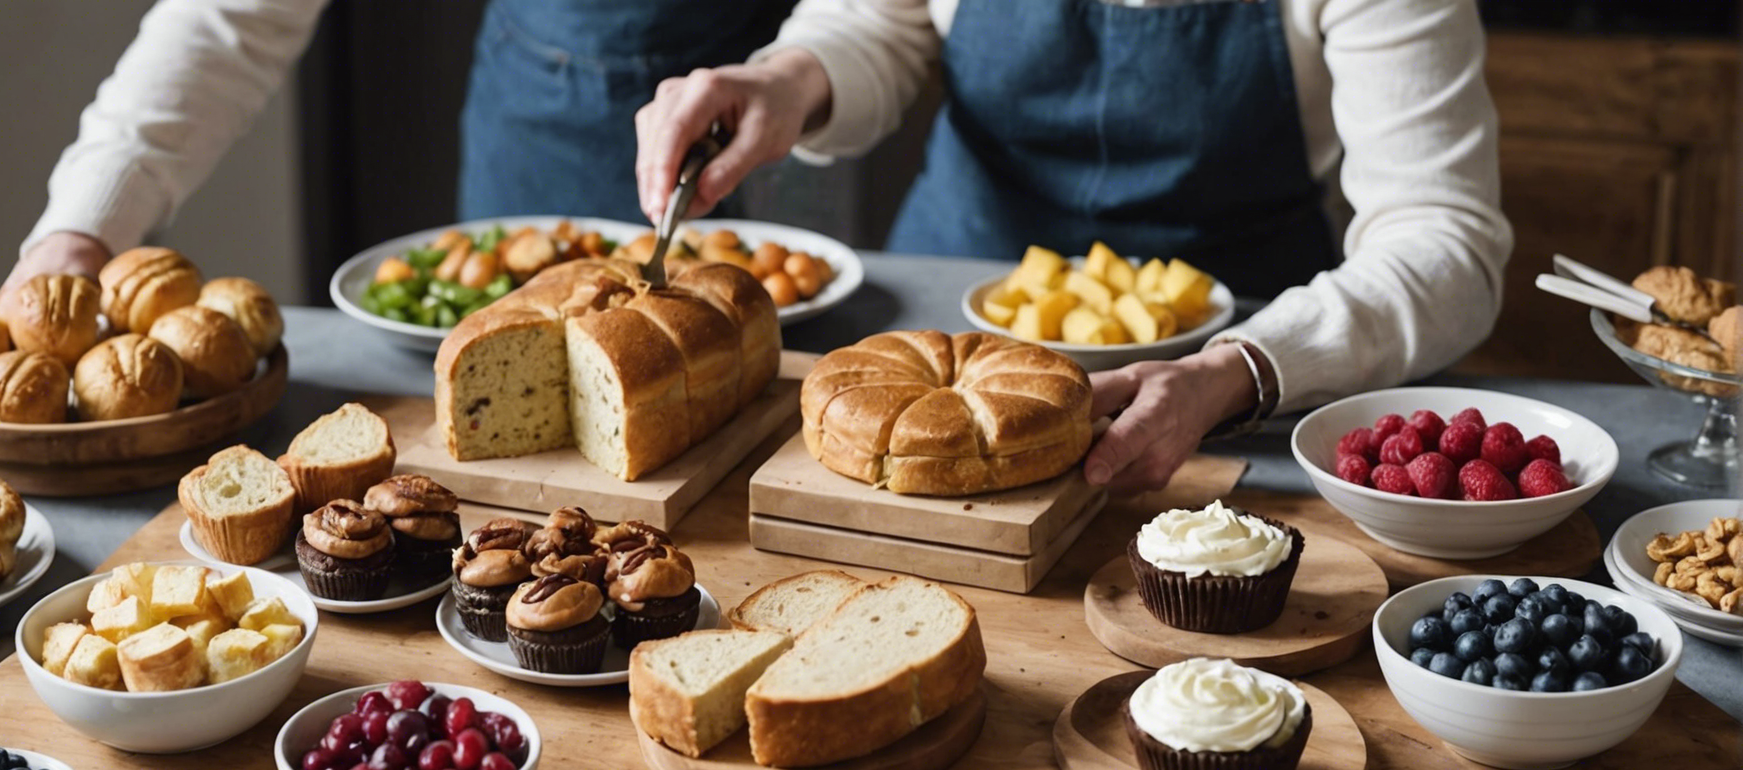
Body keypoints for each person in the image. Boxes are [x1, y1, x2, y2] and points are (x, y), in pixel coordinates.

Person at [634, 0, 1513, 493]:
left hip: (1249, 359)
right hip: (954, 303)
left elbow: (1445, 242)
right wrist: (788, 78)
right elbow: (877, 19)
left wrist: (1234, 372)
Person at [4, 0, 793, 291]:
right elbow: (231, 18)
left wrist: (804, 73)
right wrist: (84, 223)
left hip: (829, 75)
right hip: (570, 74)